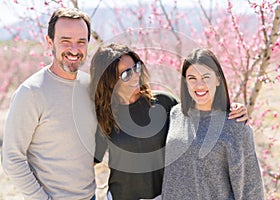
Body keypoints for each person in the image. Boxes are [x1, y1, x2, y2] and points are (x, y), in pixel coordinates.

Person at [90, 43, 249, 200]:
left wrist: (231, 110)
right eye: (126, 74)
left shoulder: (164, 102)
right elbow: (90, 161)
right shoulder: (104, 116)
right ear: (109, 80)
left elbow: (204, 122)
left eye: (136, 68)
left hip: (166, 195)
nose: (136, 75)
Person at [2, 8, 97, 200]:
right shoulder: (31, 92)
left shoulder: (90, 87)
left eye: (81, 42)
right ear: (49, 42)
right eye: (65, 41)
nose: (74, 49)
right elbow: (12, 158)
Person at [162, 48, 265, 199]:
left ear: (218, 79)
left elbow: (251, 187)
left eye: (206, 77)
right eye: (192, 78)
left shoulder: (235, 125)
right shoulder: (177, 114)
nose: (199, 85)